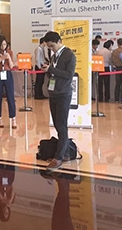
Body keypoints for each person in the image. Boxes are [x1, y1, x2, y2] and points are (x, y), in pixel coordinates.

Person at [42, 31, 76, 171]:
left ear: (59, 41)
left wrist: (52, 69)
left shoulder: (69, 55)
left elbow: (69, 75)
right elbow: (53, 73)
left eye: (52, 46)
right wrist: (48, 70)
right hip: (54, 92)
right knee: (57, 124)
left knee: (61, 126)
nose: (51, 49)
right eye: (49, 47)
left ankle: (59, 157)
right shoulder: (54, 56)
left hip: (63, 94)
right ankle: (65, 152)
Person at [0, 35, 17, 129]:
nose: (3, 46)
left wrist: (8, 58)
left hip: (7, 74)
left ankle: (13, 118)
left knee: (10, 96)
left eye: (4, 44)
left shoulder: (10, 52)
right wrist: (0, 59)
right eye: (1, 45)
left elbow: (11, 66)